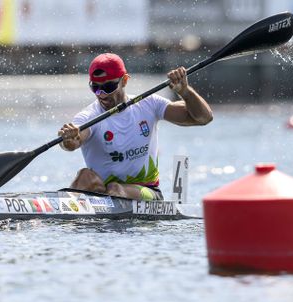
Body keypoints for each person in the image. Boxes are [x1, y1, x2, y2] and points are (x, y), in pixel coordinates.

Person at [58, 53, 212, 200]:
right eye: (96, 88)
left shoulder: (150, 104)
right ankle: (60, 207)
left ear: (124, 80)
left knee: (115, 188)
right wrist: (68, 138)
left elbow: (204, 118)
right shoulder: (88, 116)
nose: (102, 94)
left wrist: (185, 92)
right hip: (104, 193)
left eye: (109, 86)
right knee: (84, 176)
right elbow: (73, 143)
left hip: (148, 191)